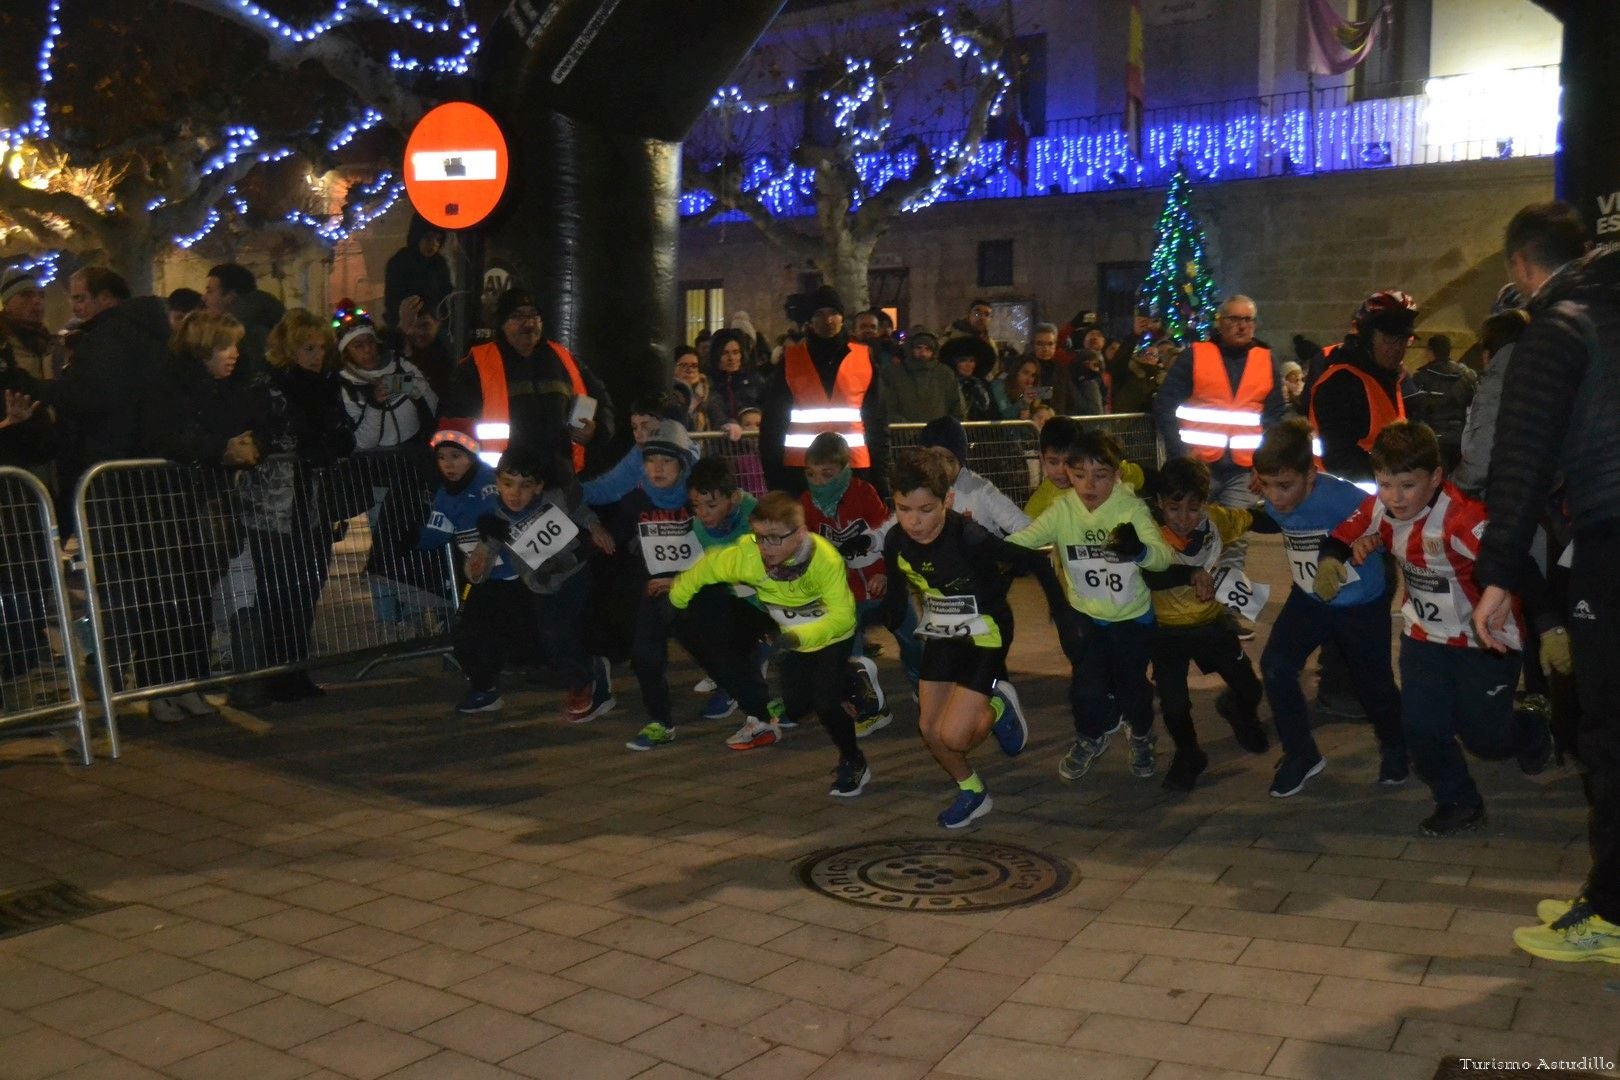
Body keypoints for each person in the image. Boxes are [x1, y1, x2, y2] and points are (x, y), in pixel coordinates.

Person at [1472, 201, 1620, 963]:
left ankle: (1614, 916)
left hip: (1612, 536)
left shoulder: (1557, 325)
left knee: (1608, 728)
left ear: (1520, 268)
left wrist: (1498, 575)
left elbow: (1520, 458)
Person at [1319, 422, 1555, 836]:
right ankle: (1459, 801)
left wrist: (1551, 628)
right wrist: (1330, 559)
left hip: (1485, 641)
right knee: (1421, 727)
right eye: (1384, 484)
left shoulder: (1463, 520)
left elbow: (1521, 566)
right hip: (1424, 639)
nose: (1394, 498)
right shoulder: (1381, 507)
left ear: (1435, 477)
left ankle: (1532, 729)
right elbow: (1343, 534)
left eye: (1407, 485)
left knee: (1485, 739)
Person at [882, 449, 1060, 828]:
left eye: (926, 510)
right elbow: (896, 591)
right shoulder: (896, 540)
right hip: (945, 632)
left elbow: (1036, 561)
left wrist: (1063, 613)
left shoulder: (970, 537)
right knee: (930, 730)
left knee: (956, 737)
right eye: (904, 509)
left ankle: (997, 706)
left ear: (947, 500)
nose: (914, 521)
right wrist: (887, 614)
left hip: (987, 633)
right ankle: (973, 792)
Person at [669, 492, 869, 795]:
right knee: (797, 708)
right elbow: (707, 568)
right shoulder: (748, 557)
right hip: (792, 639)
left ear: (800, 533)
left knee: (826, 704)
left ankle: (853, 761)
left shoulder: (824, 559)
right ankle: (853, 678)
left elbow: (843, 617)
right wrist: (677, 599)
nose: (766, 547)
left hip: (831, 636)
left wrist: (799, 636)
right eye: (760, 537)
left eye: (776, 538)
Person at [1249, 418, 1407, 798]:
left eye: (1284, 486)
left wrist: (1372, 548)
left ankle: (1397, 746)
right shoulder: (1275, 497)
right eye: (1266, 485)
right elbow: (1269, 516)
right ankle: (1301, 754)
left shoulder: (1345, 498)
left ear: (1311, 475)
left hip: (1359, 605)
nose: (1276, 497)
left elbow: (1388, 525)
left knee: (1374, 687)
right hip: (1311, 599)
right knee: (1276, 665)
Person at [1007, 429, 1173, 783]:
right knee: (1086, 687)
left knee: (1132, 688)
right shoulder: (1062, 509)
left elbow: (1162, 559)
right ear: (1068, 474)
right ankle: (1089, 737)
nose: (1089, 485)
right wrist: (982, 548)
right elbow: (1024, 540)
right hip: (1088, 616)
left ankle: (1142, 735)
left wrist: (1138, 550)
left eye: (1100, 476)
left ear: (1116, 475)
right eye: (1079, 475)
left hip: (1131, 618)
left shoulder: (1130, 509)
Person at [141, 310, 279, 721]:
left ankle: (191, 681)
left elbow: (251, 421)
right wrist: (221, 448)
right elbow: (169, 437)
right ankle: (162, 686)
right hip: (171, 502)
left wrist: (247, 444)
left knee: (197, 596)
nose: (235, 354)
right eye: (226, 346)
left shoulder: (224, 386)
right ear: (204, 347)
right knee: (169, 596)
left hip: (207, 500)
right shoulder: (170, 386)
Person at [454, 445, 614, 720]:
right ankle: (589, 672)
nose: (515, 493)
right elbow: (483, 558)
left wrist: (596, 528)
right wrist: (477, 566)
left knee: (562, 629)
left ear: (539, 487)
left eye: (525, 486)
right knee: (551, 635)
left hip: (575, 574)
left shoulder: (556, 499)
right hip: (540, 585)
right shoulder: (497, 521)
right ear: (497, 483)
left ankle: (583, 683)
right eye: (508, 484)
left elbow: (581, 510)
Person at [249, 308, 355, 702]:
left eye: (320, 348)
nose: (315, 356)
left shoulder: (326, 386)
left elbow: (343, 437)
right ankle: (276, 672)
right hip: (276, 505)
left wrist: (325, 444)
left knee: (307, 586)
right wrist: (319, 444)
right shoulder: (271, 385)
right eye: (307, 348)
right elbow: (281, 437)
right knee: (278, 589)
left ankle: (294, 670)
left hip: (314, 504)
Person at [1146, 456, 1269, 792]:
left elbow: (1256, 519)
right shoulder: (1146, 532)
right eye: (1174, 509)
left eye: (1193, 508)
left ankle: (1236, 708)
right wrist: (1190, 574)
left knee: (1251, 688)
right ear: (1159, 503)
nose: (1184, 518)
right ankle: (1189, 754)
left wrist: (1295, 512)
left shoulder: (1216, 521)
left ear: (1205, 504)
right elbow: (1150, 575)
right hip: (1166, 632)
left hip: (1211, 624)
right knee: (1172, 705)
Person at [587, 421, 709, 752]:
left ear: (683, 464)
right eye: (651, 461)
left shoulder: (699, 499)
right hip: (654, 590)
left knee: (711, 650)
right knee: (645, 655)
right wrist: (595, 529)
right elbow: (613, 536)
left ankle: (749, 705)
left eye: (666, 461)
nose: (657, 468)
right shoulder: (635, 501)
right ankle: (660, 722)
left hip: (697, 589)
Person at [1154, 295, 1286, 578]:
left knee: (1234, 540)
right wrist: (1180, 453)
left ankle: (1227, 607)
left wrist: (1264, 467)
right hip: (1198, 468)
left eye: (1247, 320)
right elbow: (1165, 403)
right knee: (1188, 534)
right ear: (1220, 323)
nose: (1241, 326)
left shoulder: (1266, 360)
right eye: (1234, 319)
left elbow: (1274, 416)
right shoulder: (1196, 355)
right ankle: (1187, 599)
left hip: (1244, 472)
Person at [444, 288, 615, 482]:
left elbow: (602, 400)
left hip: (559, 482)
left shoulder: (563, 358)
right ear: (502, 323)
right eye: (517, 316)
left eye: (534, 315)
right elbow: (454, 423)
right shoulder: (477, 365)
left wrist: (597, 430)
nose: (529, 323)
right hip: (502, 487)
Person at [800, 432, 897, 734]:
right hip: (847, 591)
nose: (818, 481)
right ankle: (868, 705)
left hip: (882, 582)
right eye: (811, 474)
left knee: (909, 634)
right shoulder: (807, 503)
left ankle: (925, 684)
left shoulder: (864, 493)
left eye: (826, 474)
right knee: (850, 650)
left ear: (843, 470)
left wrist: (885, 572)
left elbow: (885, 533)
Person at [49, 268, 169, 509]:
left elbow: (90, 396)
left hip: (112, 464)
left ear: (105, 297)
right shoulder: (147, 333)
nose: (75, 307)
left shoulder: (107, 340)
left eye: (80, 298)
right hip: (145, 460)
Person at [759, 285, 889, 498]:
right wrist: (775, 479)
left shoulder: (864, 358)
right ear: (810, 320)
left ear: (842, 318)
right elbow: (773, 423)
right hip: (801, 473)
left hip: (854, 470)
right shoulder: (790, 361)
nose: (827, 320)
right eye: (819, 314)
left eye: (833, 313)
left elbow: (877, 421)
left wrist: (880, 478)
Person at [1309, 290, 1419, 484]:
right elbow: (1339, 456)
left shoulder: (1389, 377)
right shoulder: (1342, 382)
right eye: (1388, 340)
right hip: (1344, 499)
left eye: (1403, 341)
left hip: (1382, 498)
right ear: (1368, 338)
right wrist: (1396, 482)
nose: (1396, 349)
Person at [333, 302, 437, 451]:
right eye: (358, 346)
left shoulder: (400, 365)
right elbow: (363, 442)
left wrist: (397, 383)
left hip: (414, 455)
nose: (368, 350)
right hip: (375, 465)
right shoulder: (345, 385)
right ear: (346, 352)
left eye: (370, 342)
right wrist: (375, 403)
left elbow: (431, 403)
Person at [1451, 303, 1529, 498]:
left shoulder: (1496, 386)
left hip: (1501, 500)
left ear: (1487, 353)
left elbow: (1481, 460)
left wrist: (1449, 489)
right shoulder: (1540, 377)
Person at [919, 417, 1030, 537]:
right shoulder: (916, 488)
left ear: (960, 462)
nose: (942, 466)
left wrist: (999, 550)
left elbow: (1023, 525)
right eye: (934, 458)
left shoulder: (980, 489)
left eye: (949, 460)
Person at [1406, 334, 1477, 471]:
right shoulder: (1467, 376)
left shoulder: (1421, 377)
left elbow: (1414, 410)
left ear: (1430, 352)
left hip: (1431, 440)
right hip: (1459, 440)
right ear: (1449, 351)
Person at [203, 263, 283, 381]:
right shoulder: (258, 319)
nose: (204, 297)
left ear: (231, 297)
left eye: (210, 291)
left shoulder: (247, 330)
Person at [383, 215, 453, 331]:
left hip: (435, 327)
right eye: (428, 238)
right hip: (406, 327)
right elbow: (392, 300)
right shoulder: (400, 262)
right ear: (417, 237)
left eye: (438, 239)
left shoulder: (439, 264)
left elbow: (446, 295)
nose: (434, 244)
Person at [881, 329, 963, 423]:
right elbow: (889, 405)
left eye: (928, 349)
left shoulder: (945, 373)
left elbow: (956, 404)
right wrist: (903, 426)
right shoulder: (895, 373)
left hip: (938, 434)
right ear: (911, 349)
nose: (923, 353)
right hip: (903, 432)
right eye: (919, 348)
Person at [1, 268, 52, 382]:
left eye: (41, 295)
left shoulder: (48, 342)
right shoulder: (4, 345)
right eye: (26, 294)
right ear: (7, 303)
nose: (37, 301)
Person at [708, 329, 764, 422]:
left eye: (736, 352)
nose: (731, 358)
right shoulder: (709, 383)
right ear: (716, 355)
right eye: (725, 353)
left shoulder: (754, 380)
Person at [941, 335, 995, 421]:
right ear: (955, 363)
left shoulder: (983, 386)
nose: (968, 365)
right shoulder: (947, 385)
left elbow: (991, 412)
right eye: (963, 360)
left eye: (972, 361)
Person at [989, 355, 1043, 421]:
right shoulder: (998, 385)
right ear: (1016, 371)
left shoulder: (1036, 390)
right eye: (1026, 373)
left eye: (1033, 375)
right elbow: (1005, 414)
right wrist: (1023, 402)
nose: (1030, 380)